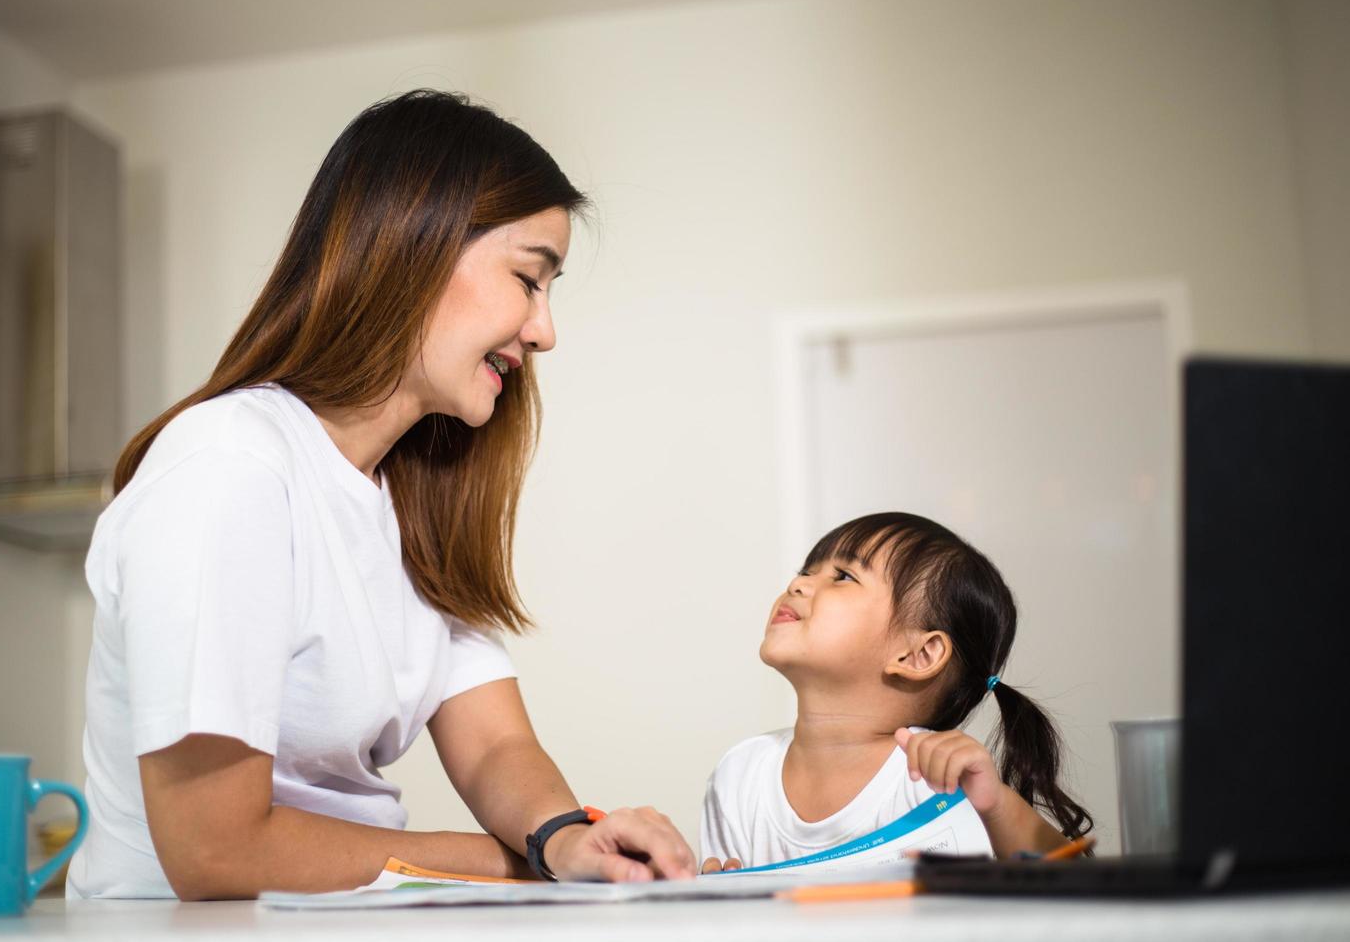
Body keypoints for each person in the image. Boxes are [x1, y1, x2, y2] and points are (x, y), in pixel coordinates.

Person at [67, 90, 696, 900]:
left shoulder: (413, 498)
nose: (545, 332)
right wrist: (512, 864)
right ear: (412, 249)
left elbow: (496, 746)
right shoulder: (229, 466)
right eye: (528, 280)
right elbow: (213, 854)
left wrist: (567, 838)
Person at [699, 512, 1093, 872]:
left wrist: (996, 805)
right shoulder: (740, 775)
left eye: (843, 577)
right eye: (806, 570)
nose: (797, 583)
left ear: (918, 654)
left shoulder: (938, 780)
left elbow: (1087, 900)